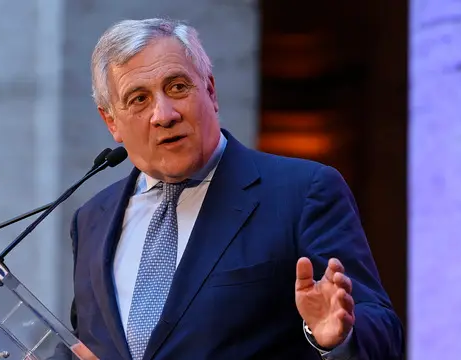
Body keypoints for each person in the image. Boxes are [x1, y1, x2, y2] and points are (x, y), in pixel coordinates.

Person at [63, 18, 404, 360]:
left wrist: (334, 339)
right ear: (111, 122)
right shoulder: (92, 219)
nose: (164, 114)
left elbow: (382, 331)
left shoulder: (303, 193)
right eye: (139, 99)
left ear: (210, 91)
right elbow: (91, 344)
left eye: (178, 87)